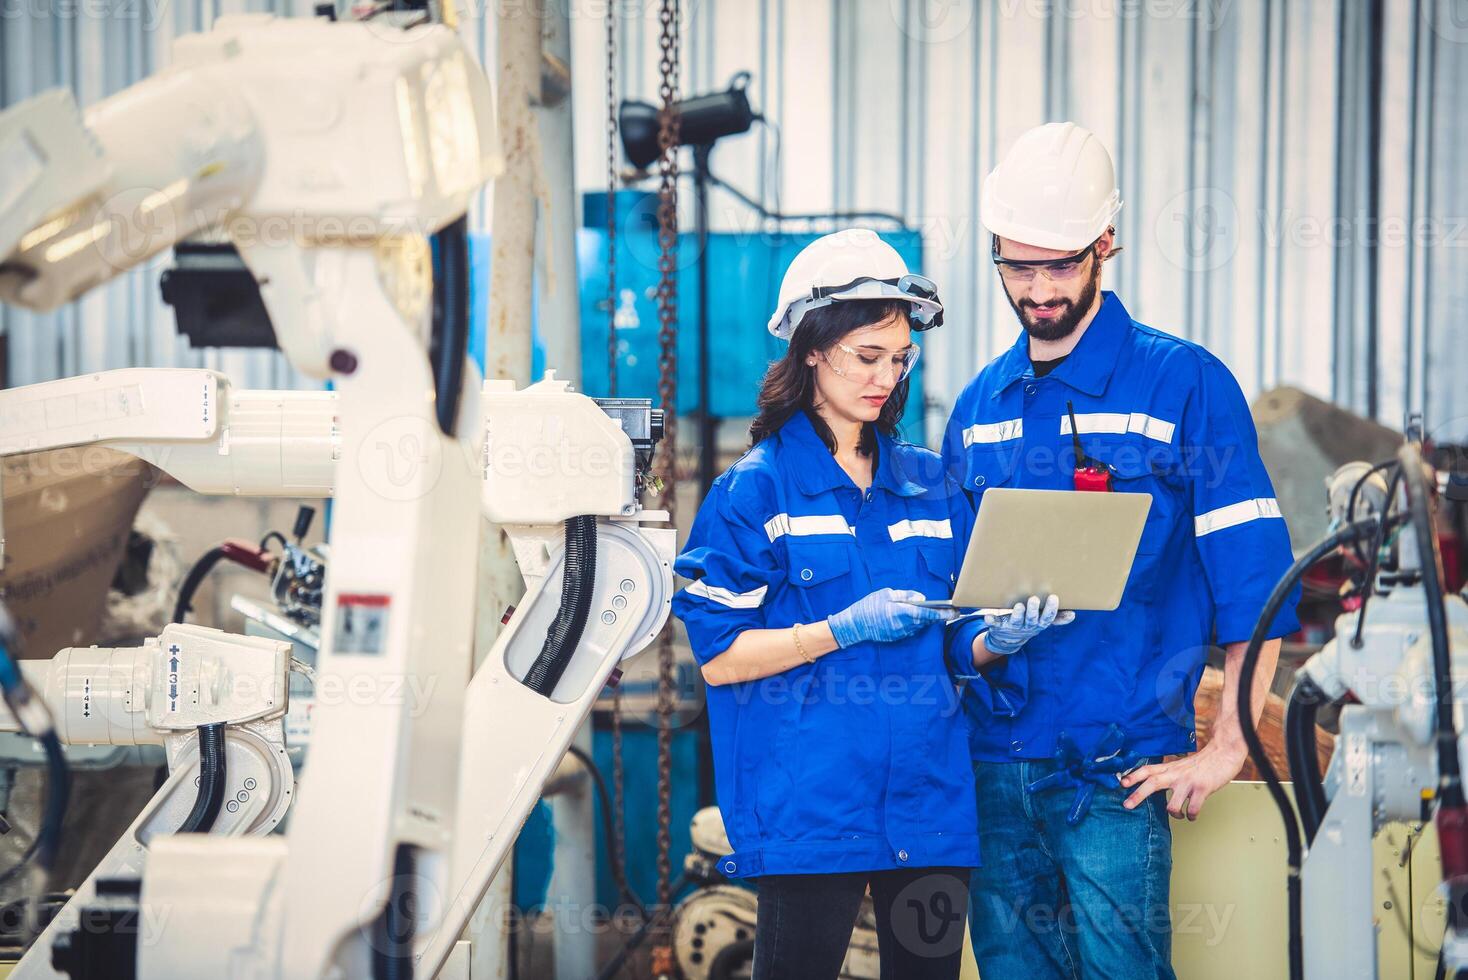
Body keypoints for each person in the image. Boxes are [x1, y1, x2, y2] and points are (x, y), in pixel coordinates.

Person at [943, 122, 1300, 979]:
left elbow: (1253, 579)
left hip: (1116, 772)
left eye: (1059, 265)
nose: (1038, 290)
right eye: (1016, 267)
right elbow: (949, 599)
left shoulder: (1183, 385)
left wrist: (1229, 745)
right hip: (992, 771)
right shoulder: (978, 408)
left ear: (1105, 242)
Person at [673, 229, 981, 980]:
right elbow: (720, 659)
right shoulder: (757, 490)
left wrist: (995, 638)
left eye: (900, 358)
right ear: (812, 349)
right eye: (867, 356)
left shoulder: (930, 484)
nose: (886, 377)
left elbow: (953, 642)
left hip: (928, 803)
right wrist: (841, 629)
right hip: (812, 810)